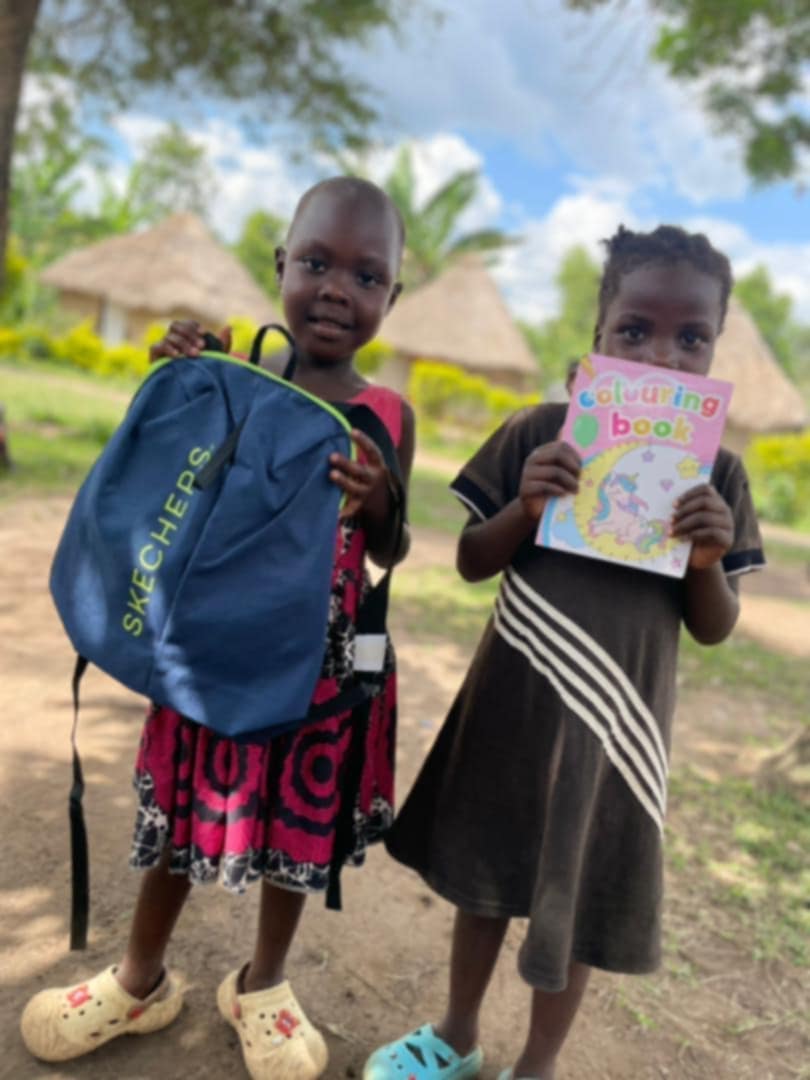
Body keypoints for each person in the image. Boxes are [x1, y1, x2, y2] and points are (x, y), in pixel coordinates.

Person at [21, 176, 415, 1080]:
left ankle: (262, 985)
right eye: (316, 263)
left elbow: (393, 547)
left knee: (297, 838)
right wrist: (175, 378)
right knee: (180, 819)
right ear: (281, 265)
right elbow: (168, 477)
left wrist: (379, 500)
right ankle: (139, 980)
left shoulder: (387, 416)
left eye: (365, 276)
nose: (336, 290)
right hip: (210, 651)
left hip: (319, 674)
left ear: (391, 296)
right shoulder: (233, 377)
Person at [364, 224, 765, 1080]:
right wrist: (525, 507)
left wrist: (707, 559)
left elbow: (714, 626)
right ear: (598, 338)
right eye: (636, 330)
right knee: (483, 874)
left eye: (692, 338)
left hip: (618, 728)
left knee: (579, 898)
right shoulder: (542, 435)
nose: (662, 356)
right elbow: (472, 561)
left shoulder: (718, 480)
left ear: (714, 351)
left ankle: (539, 1065)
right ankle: (456, 1035)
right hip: (516, 703)